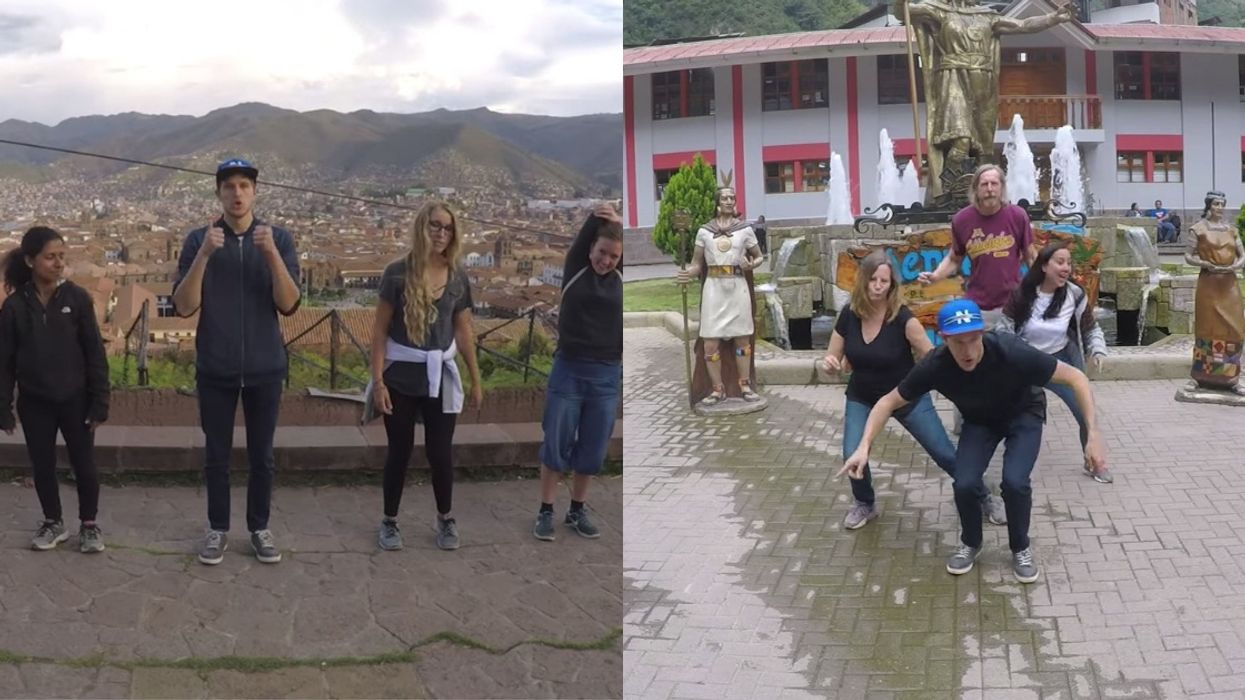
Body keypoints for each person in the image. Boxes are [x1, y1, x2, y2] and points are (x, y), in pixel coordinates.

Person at [839, 299, 1107, 583]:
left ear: (982, 333)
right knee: (965, 482)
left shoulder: (1009, 350)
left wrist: (1092, 433)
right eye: (958, 343)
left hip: (1023, 416)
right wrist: (863, 446)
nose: (968, 351)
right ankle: (970, 542)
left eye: (973, 340)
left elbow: (1076, 378)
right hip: (980, 422)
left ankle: (1021, 547)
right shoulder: (935, 364)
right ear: (943, 339)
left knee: (1015, 482)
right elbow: (886, 402)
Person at [172, 158, 301, 566]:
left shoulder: (278, 239)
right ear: (219, 194)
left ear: (255, 192)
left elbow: (290, 304)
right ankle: (217, 529)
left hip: (265, 367)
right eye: (229, 186)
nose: (237, 193)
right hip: (216, 366)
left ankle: (259, 528)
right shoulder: (199, 240)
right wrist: (205, 256)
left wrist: (272, 257)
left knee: (263, 456)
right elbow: (183, 306)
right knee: (217, 455)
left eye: (244, 185)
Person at [822, 251, 1005, 530]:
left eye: (884, 281)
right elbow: (833, 361)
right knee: (852, 451)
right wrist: (831, 365)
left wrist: (969, 389)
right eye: (873, 279)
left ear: (892, 285)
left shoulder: (903, 318)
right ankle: (864, 503)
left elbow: (934, 358)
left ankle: (984, 496)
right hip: (863, 396)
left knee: (944, 453)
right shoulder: (849, 315)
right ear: (863, 281)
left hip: (906, 397)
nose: (878, 286)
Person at [369, 201, 482, 551]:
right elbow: (380, 331)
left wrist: (476, 380)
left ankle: (445, 518)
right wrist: (378, 382)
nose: (441, 233)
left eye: (447, 228)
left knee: (440, 453)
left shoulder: (458, 276)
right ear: (422, 227)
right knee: (399, 452)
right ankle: (389, 520)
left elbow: (463, 331)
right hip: (401, 377)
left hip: (442, 378)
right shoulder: (396, 273)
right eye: (435, 225)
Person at [896, 0, 1075, 201]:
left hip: (983, 85)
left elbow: (1023, 25)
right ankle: (946, 191)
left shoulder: (987, 16)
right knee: (961, 140)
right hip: (953, 79)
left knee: (983, 147)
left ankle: (982, 193)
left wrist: (1053, 18)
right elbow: (903, 12)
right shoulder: (940, 11)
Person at [0, 226, 109, 553]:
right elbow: (4, 361)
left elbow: (94, 353)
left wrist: (100, 400)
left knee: (84, 464)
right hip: (35, 402)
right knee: (42, 465)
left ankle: (89, 525)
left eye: (62, 256)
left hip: (75, 399)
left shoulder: (76, 299)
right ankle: (53, 522)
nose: (58, 263)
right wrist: (3, 405)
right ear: (31, 260)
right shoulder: (15, 307)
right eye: (50, 257)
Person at [533, 203, 623, 541]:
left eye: (614, 256)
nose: (606, 261)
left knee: (593, 447)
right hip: (569, 368)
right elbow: (588, 233)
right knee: (556, 442)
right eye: (602, 253)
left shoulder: (619, 277)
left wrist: (622, 226)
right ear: (590, 250)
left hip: (607, 373)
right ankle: (545, 510)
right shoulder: (575, 268)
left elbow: (623, 250)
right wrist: (607, 218)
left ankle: (577, 509)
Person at [997, 241, 1112, 483]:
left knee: (1085, 412)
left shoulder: (1075, 294)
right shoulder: (1022, 294)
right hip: (1028, 361)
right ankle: (1008, 463)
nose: (1066, 268)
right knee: (1012, 414)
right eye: (1060, 262)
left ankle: (1094, 461)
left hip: (1062, 360)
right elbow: (1004, 329)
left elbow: (1090, 328)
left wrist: (1097, 350)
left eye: (1069, 263)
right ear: (1044, 266)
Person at [676, 175, 765, 406]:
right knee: (710, 343)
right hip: (714, 289)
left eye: (732, 198)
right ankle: (717, 389)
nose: (729, 201)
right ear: (717, 202)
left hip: (737, 286)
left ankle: (744, 385)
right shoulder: (704, 232)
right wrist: (687, 273)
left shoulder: (744, 230)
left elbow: (759, 257)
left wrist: (750, 264)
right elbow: (697, 264)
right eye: (725, 197)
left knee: (742, 340)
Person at [918, 164, 1036, 330]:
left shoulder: (1017, 216)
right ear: (976, 189)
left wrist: (1043, 289)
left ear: (1002, 188)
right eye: (984, 184)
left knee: (1013, 354)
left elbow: (1030, 256)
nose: (989, 189)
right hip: (978, 306)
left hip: (1013, 304)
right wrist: (935, 276)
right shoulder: (962, 220)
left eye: (994, 184)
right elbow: (954, 258)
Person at [1185, 191, 1245, 394]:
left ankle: (1232, 377)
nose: (1219, 207)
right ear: (1209, 206)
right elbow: (1188, 255)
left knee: (1234, 329)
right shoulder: (1198, 229)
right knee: (1206, 329)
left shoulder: (1232, 230)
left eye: (1222, 204)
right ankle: (1200, 377)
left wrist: (1235, 266)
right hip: (1209, 283)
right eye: (1216, 204)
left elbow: (1242, 255)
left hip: (1229, 284)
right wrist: (1205, 264)